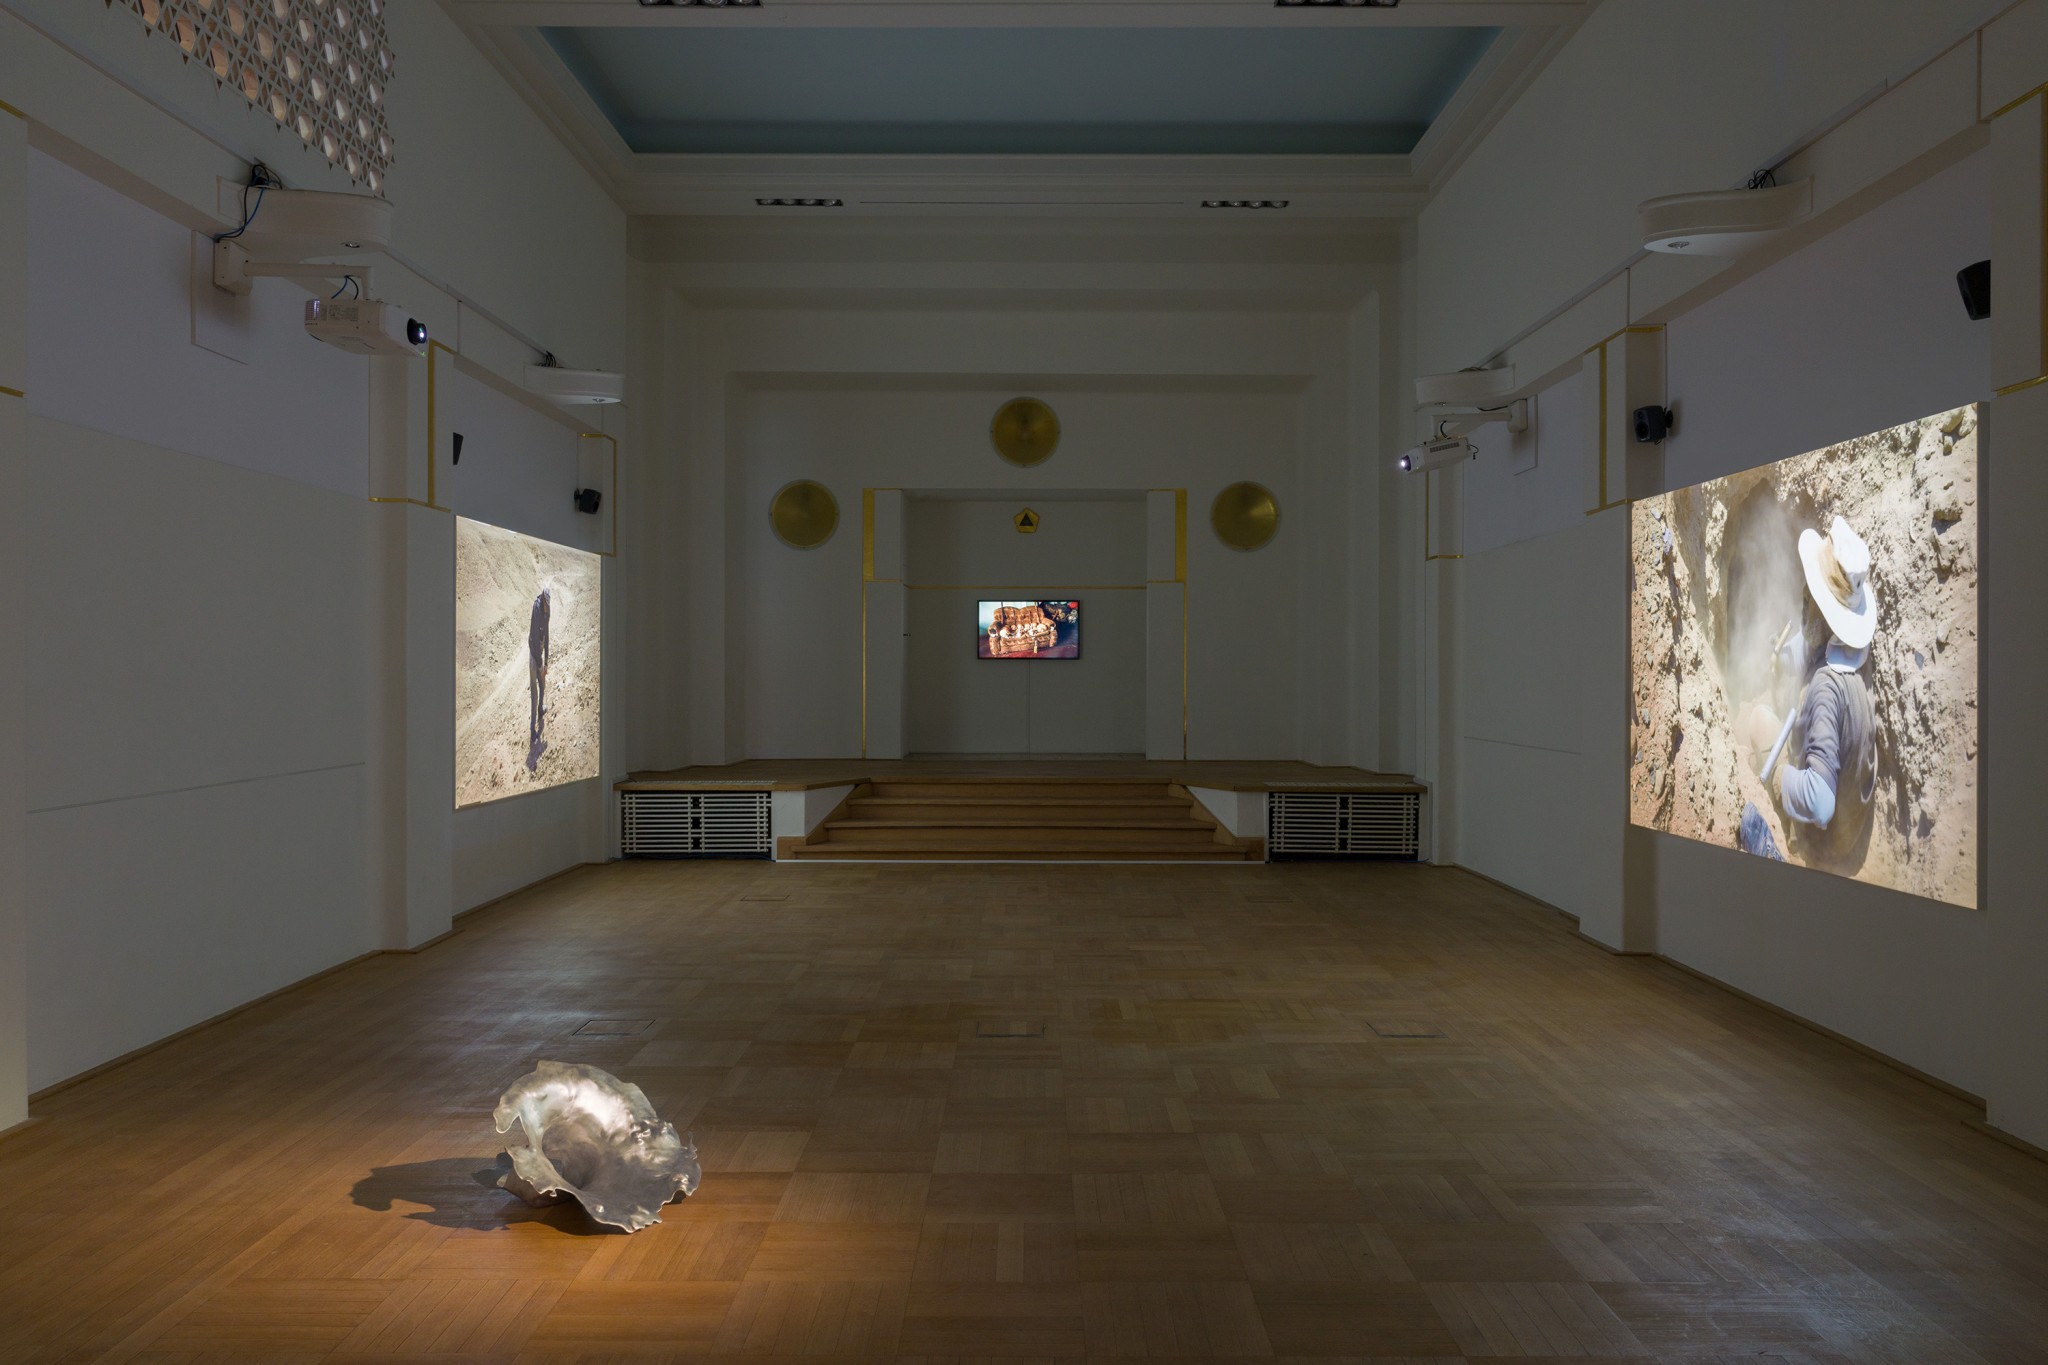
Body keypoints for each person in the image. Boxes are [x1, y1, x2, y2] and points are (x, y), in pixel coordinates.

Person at [1776, 516, 1878, 837]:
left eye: (1813, 593)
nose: (1804, 594)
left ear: (1826, 612)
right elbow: (1808, 647)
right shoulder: (1853, 654)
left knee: (1759, 724)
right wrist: (1780, 658)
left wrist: (1778, 775)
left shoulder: (1824, 688)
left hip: (1825, 842)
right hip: (1851, 825)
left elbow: (1821, 805)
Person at [527, 586, 551, 770]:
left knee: (543, 685)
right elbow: (535, 639)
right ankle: (532, 730)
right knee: (534, 693)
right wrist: (540, 663)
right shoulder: (536, 609)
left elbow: (547, 635)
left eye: (548, 604)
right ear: (542, 599)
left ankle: (541, 711)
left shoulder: (547, 610)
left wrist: (547, 662)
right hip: (533, 656)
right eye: (545, 603)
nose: (546, 606)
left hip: (541, 655)